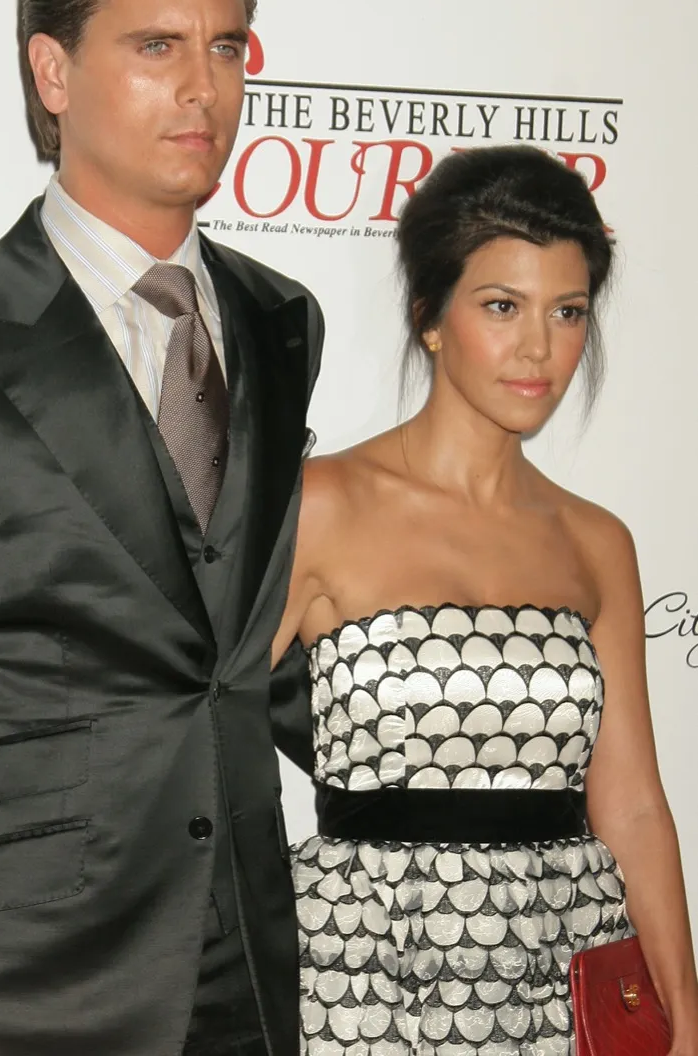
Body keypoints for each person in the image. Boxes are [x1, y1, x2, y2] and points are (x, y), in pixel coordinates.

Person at [0, 0, 323, 1056]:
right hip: (17, 986)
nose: (202, 86)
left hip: (248, 971)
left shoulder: (281, 320)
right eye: (155, 46)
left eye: (225, 47)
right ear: (52, 72)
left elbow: (238, 643)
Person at [273, 145, 698, 1055]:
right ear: (429, 316)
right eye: (502, 306)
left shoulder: (596, 542)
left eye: (566, 312)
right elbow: (198, 743)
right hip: (361, 980)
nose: (538, 348)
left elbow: (630, 806)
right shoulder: (320, 507)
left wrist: (684, 1016)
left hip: (563, 973)